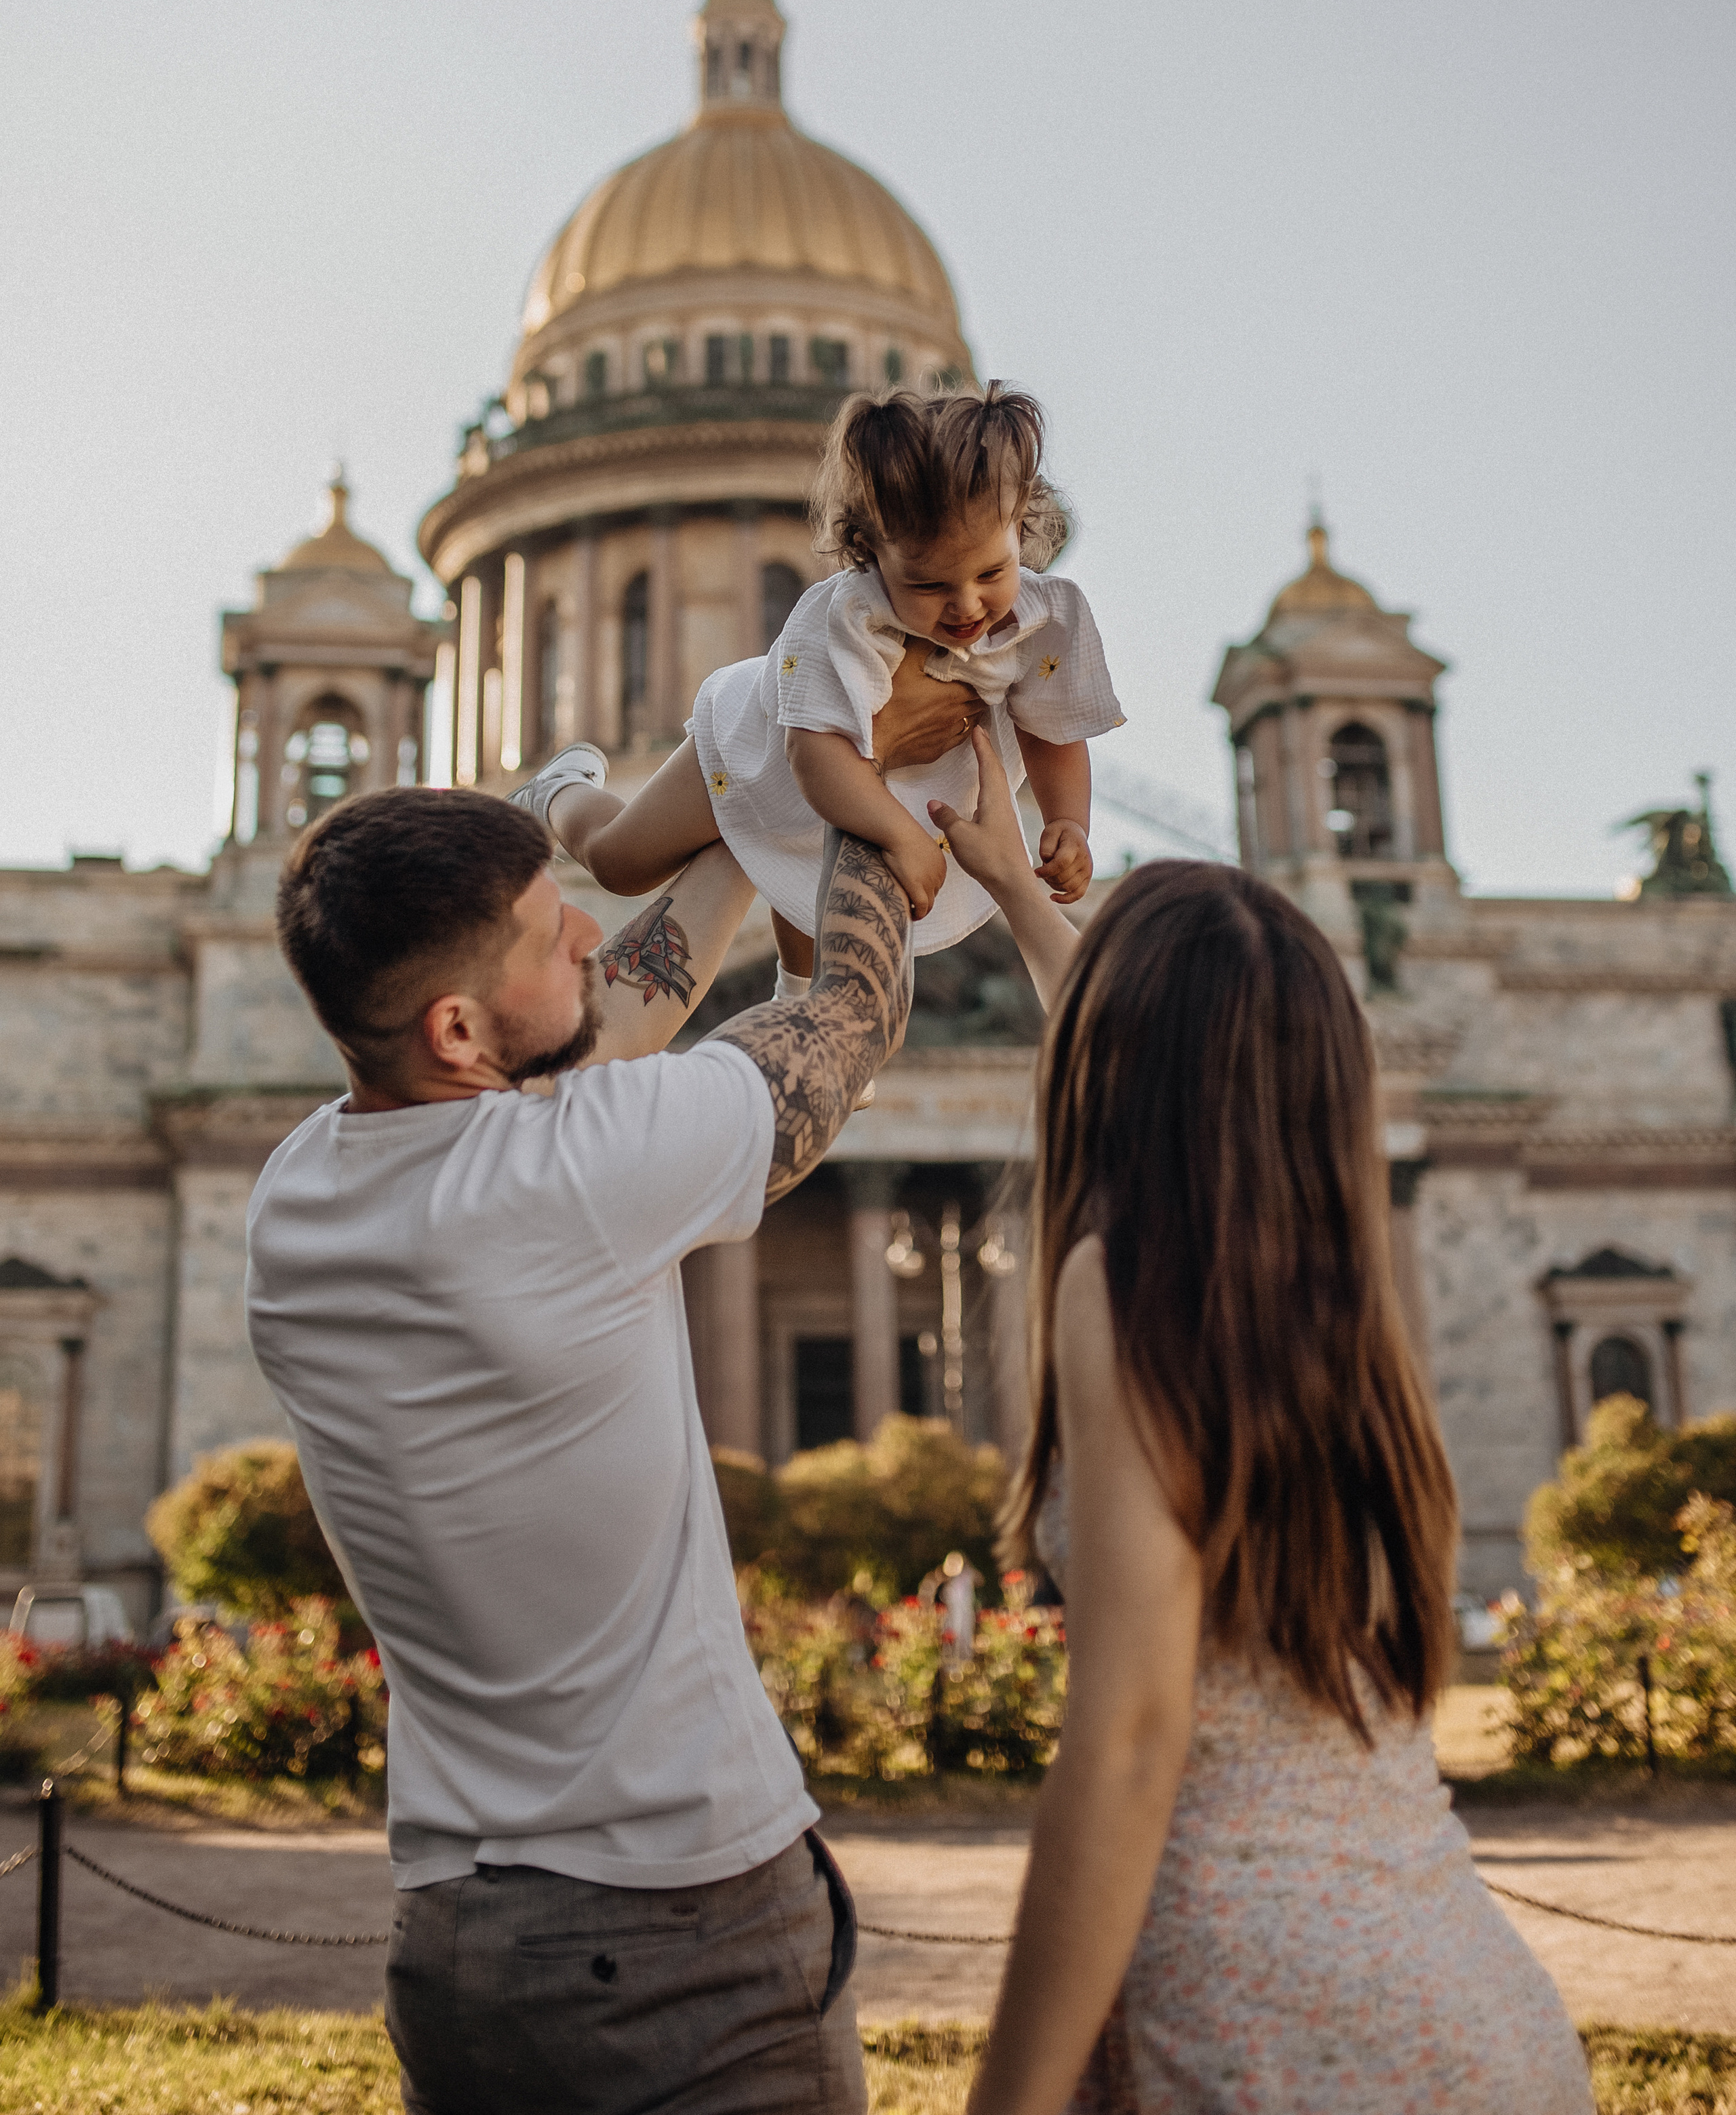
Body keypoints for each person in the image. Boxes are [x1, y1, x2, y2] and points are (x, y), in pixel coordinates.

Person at [244, 666, 987, 2115]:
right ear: (460, 1034)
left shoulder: (300, 1197)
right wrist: (858, 794)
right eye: (548, 931)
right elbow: (846, 1015)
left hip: (461, 1935)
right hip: (679, 1933)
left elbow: (619, 1015)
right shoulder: (571, 1180)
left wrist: (752, 812)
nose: (588, 927)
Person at [931, 734, 1594, 2115]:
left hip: (1264, 2019)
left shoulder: (1123, 1284)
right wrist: (1012, 884)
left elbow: (1129, 1742)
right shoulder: (1338, 1311)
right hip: (1475, 2011)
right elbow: (1159, 1060)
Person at [527, 383, 1123, 993]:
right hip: (761, 756)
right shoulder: (847, 619)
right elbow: (813, 760)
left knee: (814, 861)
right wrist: (899, 834)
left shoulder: (1043, 620)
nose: (967, 604)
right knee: (620, 864)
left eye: (992, 572)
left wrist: (1068, 822)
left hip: (899, 791)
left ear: (1021, 532)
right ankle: (559, 790)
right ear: (869, 553)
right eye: (928, 585)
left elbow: (1053, 730)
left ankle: (797, 995)